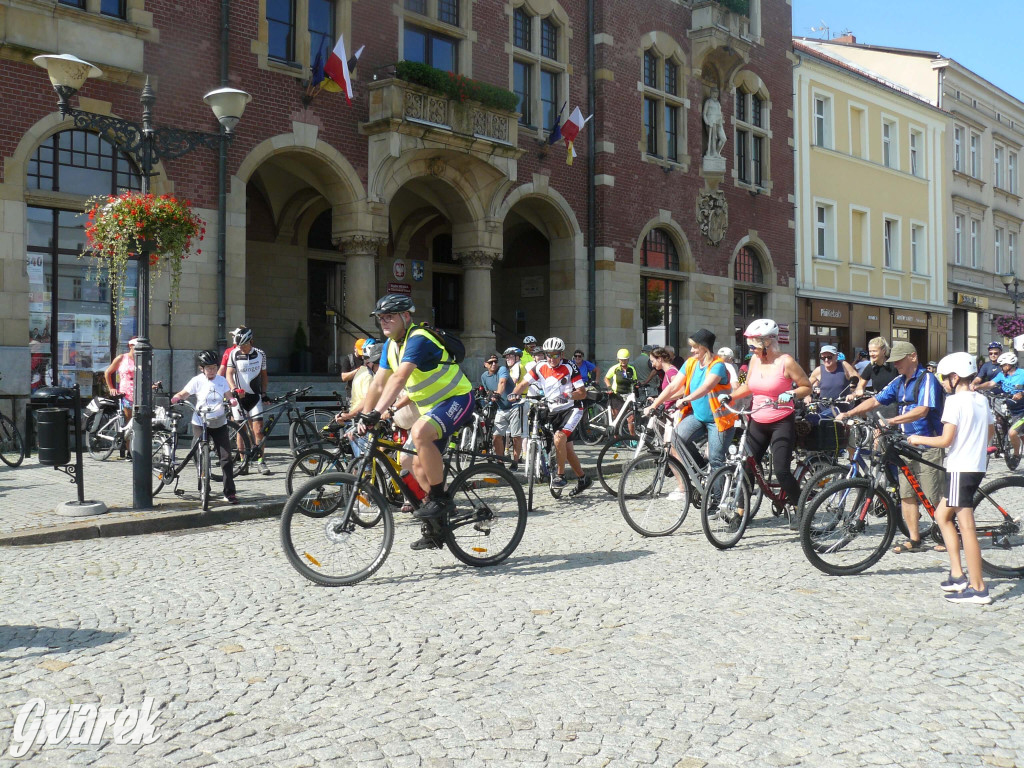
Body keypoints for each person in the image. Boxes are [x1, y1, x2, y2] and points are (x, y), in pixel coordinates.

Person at [358, 294, 475, 549]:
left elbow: (399, 378)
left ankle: (440, 500)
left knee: (420, 432)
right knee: (408, 460)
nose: (384, 322)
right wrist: (364, 416)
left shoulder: (419, 338)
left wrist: (377, 412)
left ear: (406, 316)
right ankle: (437, 527)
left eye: (389, 317)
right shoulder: (391, 345)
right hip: (432, 409)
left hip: (457, 399)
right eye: (380, 318)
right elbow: (379, 382)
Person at [836, 341, 944, 554]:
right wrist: (850, 413)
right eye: (893, 361)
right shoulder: (899, 381)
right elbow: (876, 400)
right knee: (906, 494)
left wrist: (892, 421)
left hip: (928, 443)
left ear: (912, 357)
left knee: (933, 493)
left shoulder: (927, 379)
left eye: (899, 360)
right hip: (905, 443)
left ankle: (946, 532)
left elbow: (922, 410)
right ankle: (914, 539)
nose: (896, 364)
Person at [907, 352, 994, 604]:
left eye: (945, 378)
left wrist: (918, 438)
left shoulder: (954, 402)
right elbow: (989, 433)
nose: (943, 382)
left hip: (959, 467)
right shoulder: (981, 400)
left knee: (966, 527)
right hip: (975, 466)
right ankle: (957, 575)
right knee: (941, 515)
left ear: (955, 377)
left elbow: (945, 440)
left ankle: (979, 588)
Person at [721, 319, 812, 514]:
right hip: (757, 419)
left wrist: (792, 394)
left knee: (781, 471)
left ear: (768, 342)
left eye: (754, 344)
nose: (750, 349)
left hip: (781, 421)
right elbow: (748, 387)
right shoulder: (754, 360)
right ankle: (740, 513)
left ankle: (800, 508)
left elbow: (806, 386)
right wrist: (730, 396)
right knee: (746, 467)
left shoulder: (786, 362)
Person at [647, 330, 736, 501]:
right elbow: (673, 387)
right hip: (700, 417)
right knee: (675, 438)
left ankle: (717, 502)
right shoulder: (691, 363)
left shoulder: (718, 365)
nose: (692, 351)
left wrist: (686, 399)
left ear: (705, 348)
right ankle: (701, 467)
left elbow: (707, 387)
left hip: (719, 420)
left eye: (695, 348)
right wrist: (655, 404)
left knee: (716, 460)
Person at [509, 337, 592, 495]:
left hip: (572, 408)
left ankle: (560, 476)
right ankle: (583, 479)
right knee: (566, 449)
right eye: (548, 355)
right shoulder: (540, 367)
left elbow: (582, 393)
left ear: (562, 354)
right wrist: (514, 394)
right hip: (553, 410)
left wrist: (567, 395)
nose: (552, 359)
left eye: (556, 355)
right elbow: (523, 384)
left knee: (559, 438)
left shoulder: (570, 367)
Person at [169, 350, 237, 504]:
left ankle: (229, 492)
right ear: (202, 368)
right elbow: (185, 393)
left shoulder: (221, 381)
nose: (211, 371)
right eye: (208, 368)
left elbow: (228, 395)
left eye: (214, 367)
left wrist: (232, 400)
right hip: (200, 422)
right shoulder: (197, 381)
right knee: (200, 455)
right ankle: (204, 488)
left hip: (218, 422)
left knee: (226, 458)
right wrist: (177, 397)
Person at [226, 326, 271, 475]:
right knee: (241, 431)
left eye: (244, 345)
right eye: (240, 346)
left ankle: (260, 461)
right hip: (239, 398)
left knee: (258, 430)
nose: (242, 348)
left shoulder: (260, 354)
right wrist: (233, 388)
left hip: (255, 397)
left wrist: (264, 393)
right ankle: (243, 462)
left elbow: (264, 375)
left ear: (251, 341)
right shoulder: (234, 354)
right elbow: (229, 373)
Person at [973, 350, 1024, 459]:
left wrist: (1022, 393)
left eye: (1002, 365)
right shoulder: (1002, 375)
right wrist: (977, 387)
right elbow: (991, 383)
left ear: (1009, 365)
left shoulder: (1022, 374)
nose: (1001, 367)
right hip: (1010, 408)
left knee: (1013, 433)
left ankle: (1016, 455)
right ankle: (1001, 444)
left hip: (1021, 411)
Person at [480, 353, 514, 465]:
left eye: (495, 361)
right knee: (496, 436)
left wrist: (498, 394)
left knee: (517, 436)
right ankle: (500, 462)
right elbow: (487, 392)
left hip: (513, 406)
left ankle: (516, 462)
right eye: (490, 362)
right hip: (500, 408)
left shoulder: (502, 369)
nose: (494, 364)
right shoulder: (484, 376)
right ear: (485, 364)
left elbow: (502, 382)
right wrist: (489, 396)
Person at [854, 337, 900, 417]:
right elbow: (861, 383)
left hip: (894, 405)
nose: (871, 354)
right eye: (870, 351)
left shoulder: (893, 365)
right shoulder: (871, 366)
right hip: (878, 404)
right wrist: (859, 390)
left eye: (875, 351)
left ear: (883, 351)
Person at [808, 344, 859, 411]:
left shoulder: (844, 366)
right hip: (824, 410)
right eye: (823, 358)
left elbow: (859, 381)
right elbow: (805, 385)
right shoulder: (818, 370)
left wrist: (853, 394)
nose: (826, 360)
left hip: (843, 410)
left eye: (829, 357)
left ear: (836, 356)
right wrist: (807, 396)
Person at [502, 347, 526, 470]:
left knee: (517, 432)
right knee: (516, 431)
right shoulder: (514, 367)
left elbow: (513, 381)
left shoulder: (517, 367)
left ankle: (517, 459)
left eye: (510, 356)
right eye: (506, 357)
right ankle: (518, 456)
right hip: (516, 399)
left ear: (517, 357)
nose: (508, 359)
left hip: (518, 400)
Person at [104, 337, 138, 424]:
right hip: (126, 392)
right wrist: (111, 388)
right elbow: (108, 372)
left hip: (139, 392)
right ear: (131, 346)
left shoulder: (141, 359)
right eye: (136, 346)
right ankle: (126, 437)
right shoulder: (122, 358)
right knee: (128, 419)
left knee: (139, 420)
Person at [604, 349, 639, 432]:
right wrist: (609, 387)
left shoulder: (631, 369)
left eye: (625, 359)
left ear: (628, 359)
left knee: (631, 418)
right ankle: (616, 437)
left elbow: (635, 380)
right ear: (618, 359)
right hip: (617, 395)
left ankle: (632, 438)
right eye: (621, 359)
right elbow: (606, 378)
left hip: (628, 395)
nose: (623, 361)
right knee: (617, 417)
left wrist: (637, 385)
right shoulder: (615, 368)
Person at [703, 86, 726, 159]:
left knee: (723, 139)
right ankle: (713, 153)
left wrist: (721, 120)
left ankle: (716, 152)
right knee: (714, 137)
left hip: (718, 122)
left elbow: (719, 113)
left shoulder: (718, 103)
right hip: (711, 121)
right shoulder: (708, 101)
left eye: (717, 92)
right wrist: (706, 122)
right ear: (711, 93)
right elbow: (704, 113)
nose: (716, 94)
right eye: (714, 92)